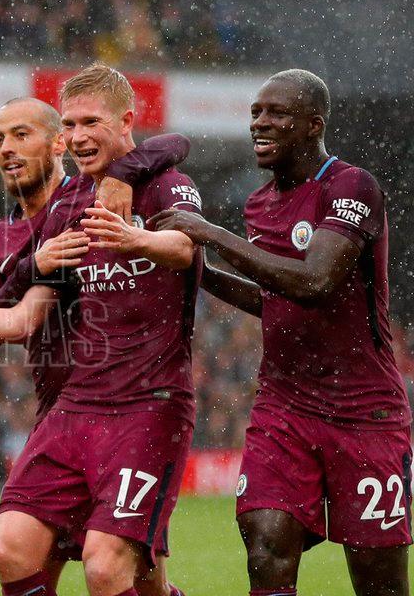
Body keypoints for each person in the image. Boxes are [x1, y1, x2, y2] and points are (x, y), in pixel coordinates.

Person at [0, 63, 202, 596]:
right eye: (72, 124)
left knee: (108, 568)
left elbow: (184, 244)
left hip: (148, 404)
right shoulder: (64, 214)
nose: (79, 136)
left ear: (125, 122)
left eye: (90, 123)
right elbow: (18, 318)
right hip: (71, 406)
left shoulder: (163, 185)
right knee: (11, 550)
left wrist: (135, 236)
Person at [151, 69, 411, 596]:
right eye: (255, 113)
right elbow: (275, 299)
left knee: (378, 581)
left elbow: (315, 281)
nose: (260, 123)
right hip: (284, 409)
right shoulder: (259, 204)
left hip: (364, 412)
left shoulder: (350, 186)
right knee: (265, 543)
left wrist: (209, 233)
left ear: (314, 124)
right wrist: (199, 271)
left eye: (277, 113)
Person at [0, 96, 190, 595]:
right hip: (62, 411)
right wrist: (33, 266)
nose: (7, 148)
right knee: (22, 557)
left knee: (123, 571)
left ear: (59, 144)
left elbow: (174, 143)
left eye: (21, 134)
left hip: (132, 408)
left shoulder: (92, 195)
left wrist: (125, 172)